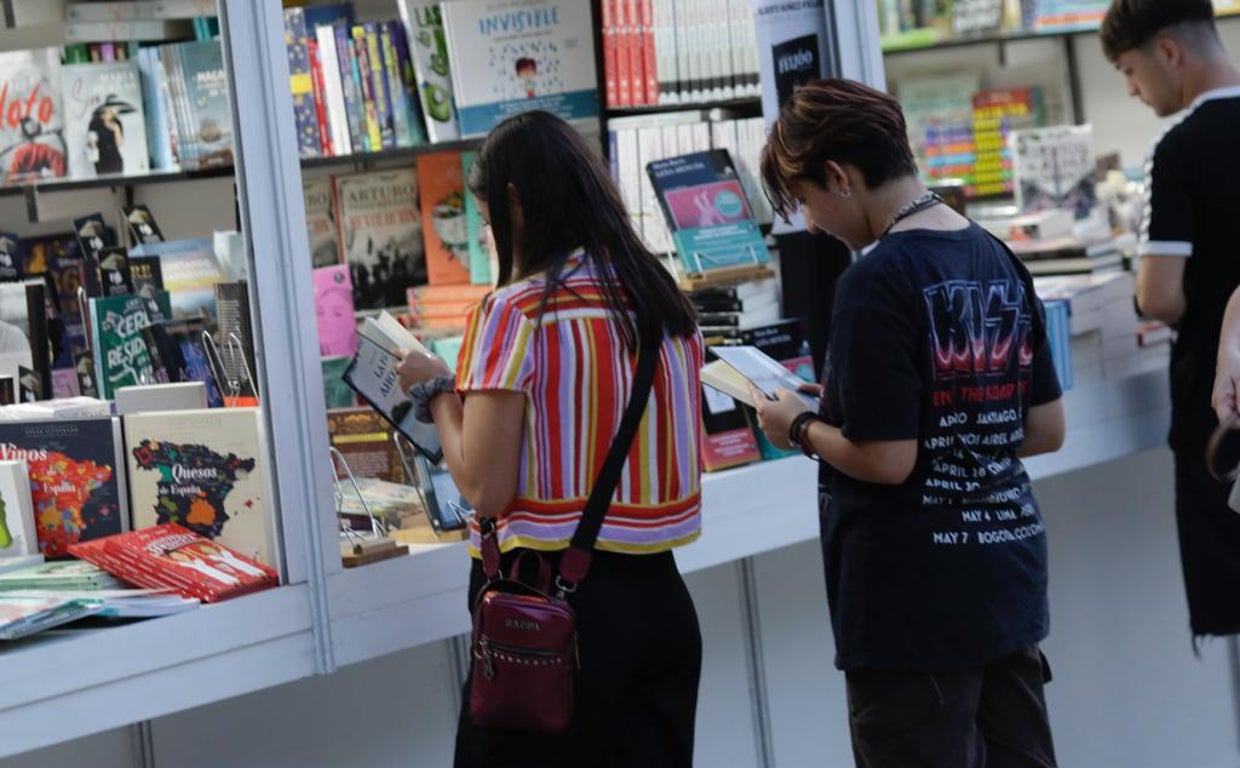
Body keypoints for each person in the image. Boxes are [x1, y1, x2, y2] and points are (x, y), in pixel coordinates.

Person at [752, 78, 1065, 767]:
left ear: (839, 176)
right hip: (1007, 580)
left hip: (911, 605)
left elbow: (887, 460)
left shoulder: (874, 280)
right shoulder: (995, 255)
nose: (810, 224)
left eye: (805, 201)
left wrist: (798, 426)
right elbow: (1045, 428)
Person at [395, 110, 704, 768]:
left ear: (515, 202)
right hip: (663, 606)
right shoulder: (662, 300)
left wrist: (440, 396)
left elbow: (484, 485)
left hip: (551, 618)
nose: (488, 234)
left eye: (487, 219)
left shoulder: (516, 311)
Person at [1101, 0, 1240, 640]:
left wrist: (1207, 307)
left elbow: (1159, 296)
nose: (1130, 90)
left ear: (1167, 52)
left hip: (1221, 408)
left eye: (1128, 70)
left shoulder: (1181, 148)